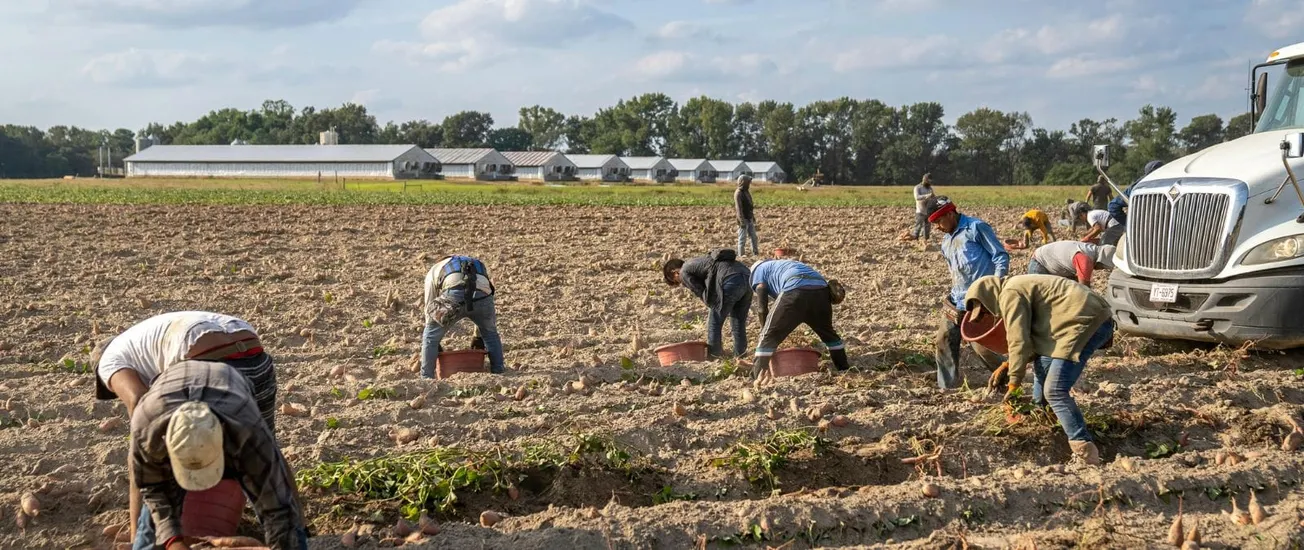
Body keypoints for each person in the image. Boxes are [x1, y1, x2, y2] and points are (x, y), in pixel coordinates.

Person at [91, 311, 277, 543]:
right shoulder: (143, 338)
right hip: (253, 352)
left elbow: (138, 401)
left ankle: (147, 539)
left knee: (155, 457)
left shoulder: (109, 361)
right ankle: (293, 532)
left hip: (204, 358)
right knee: (264, 451)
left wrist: (134, 527)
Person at [131, 360, 308, 550]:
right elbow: (154, 490)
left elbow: (277, 509)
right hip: (169, 387)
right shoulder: (147, 430)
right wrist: (173, 541)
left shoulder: (248, 432)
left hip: (228, 382)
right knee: (152, 522)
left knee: (282, 514)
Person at [964, 275, 1114, 465]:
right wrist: (1008, 364)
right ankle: (1043, 418)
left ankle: (1085, 452)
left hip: (1083, 319)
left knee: (1055, 390)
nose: (986, 314)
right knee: (1042, 365)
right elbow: (1031, 343)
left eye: (984, 309)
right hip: (1074, 320)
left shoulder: (1009, 294)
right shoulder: (1015, 287)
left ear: (988, 295)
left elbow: (1018, 342)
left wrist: (1014, 385)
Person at [924, 196, 1009, 389]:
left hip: (980, 300)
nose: (937, 227)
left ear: (950, 214)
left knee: (982, 348)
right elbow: (955, 271)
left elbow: (1000, 256)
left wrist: (996, 285)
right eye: (934, 223)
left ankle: (1010, 379)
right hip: (957, 299)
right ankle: (947, 387)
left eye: (939, 221)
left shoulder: (976, 228)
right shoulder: (946, 242)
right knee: (943, 339)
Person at [748, 259, 849, 378]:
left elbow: (762, 308)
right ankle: (844, 368)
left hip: (794, 289)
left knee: (768, 337)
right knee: (828, 334)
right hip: (821, 292)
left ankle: (757, 375)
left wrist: (764, 330)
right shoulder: (783, 264)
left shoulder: (758, 272)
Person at [421, 255, 504, 378]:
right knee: (491, 335)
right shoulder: (477, 264)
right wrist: (478, 335)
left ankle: (426, 377)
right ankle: (499, 371)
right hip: (483, 297)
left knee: (430, 337)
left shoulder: (435, 269)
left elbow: (430, 306)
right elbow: (486, 291)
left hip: (453, 296)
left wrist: (433, 335)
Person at [663, 250, 752, 358]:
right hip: (747, 278)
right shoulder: (699, 262)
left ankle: (714, 357)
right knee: (738, 322)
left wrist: (713, 304)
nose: (681, 282)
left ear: (675, 272)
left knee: (714, 323)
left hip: (730, 280)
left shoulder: (684, 271)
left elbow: (698, 290)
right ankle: (740, 356)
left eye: (677, 281)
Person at [1107, 160, 1166, 229]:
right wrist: (1129, 225)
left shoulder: (1136, 188)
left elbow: (1113, 206)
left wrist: (1130, 225)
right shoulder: (1136, 188)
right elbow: (1113, 206)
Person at [1029, 242, 1116, 285]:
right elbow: (1084, 290)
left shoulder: (1091, 249)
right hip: (1040, 263)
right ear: (1101, 261)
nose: (1101, 269)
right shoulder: (1085, 261)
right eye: (1103, 267)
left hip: (1055, 263)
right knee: (1041, 299)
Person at [735, 175, 759, 256]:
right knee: (742, 239)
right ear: (743, 183)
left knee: (754, 237)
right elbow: (739, 209)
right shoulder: (738, 193)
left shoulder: (746, 192)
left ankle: (755, 253)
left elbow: (750, 205)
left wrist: (752, 216)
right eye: (748, 182)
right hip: (743, 219)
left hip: (749, 218)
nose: (749, 184)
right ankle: (741, 256)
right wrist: (742, 222)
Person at [911, 173, 935, 242]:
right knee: (918, 227)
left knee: (927, 228)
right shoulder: (917, 187)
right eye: (928, 181)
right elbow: (917, 197)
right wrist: (927, 196)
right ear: (924, 179)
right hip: (920, 210)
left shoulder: (930, 188)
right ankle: (915, 240)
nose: (929, 183)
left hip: (928, 211)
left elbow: (933, 197)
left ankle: (926, 241)